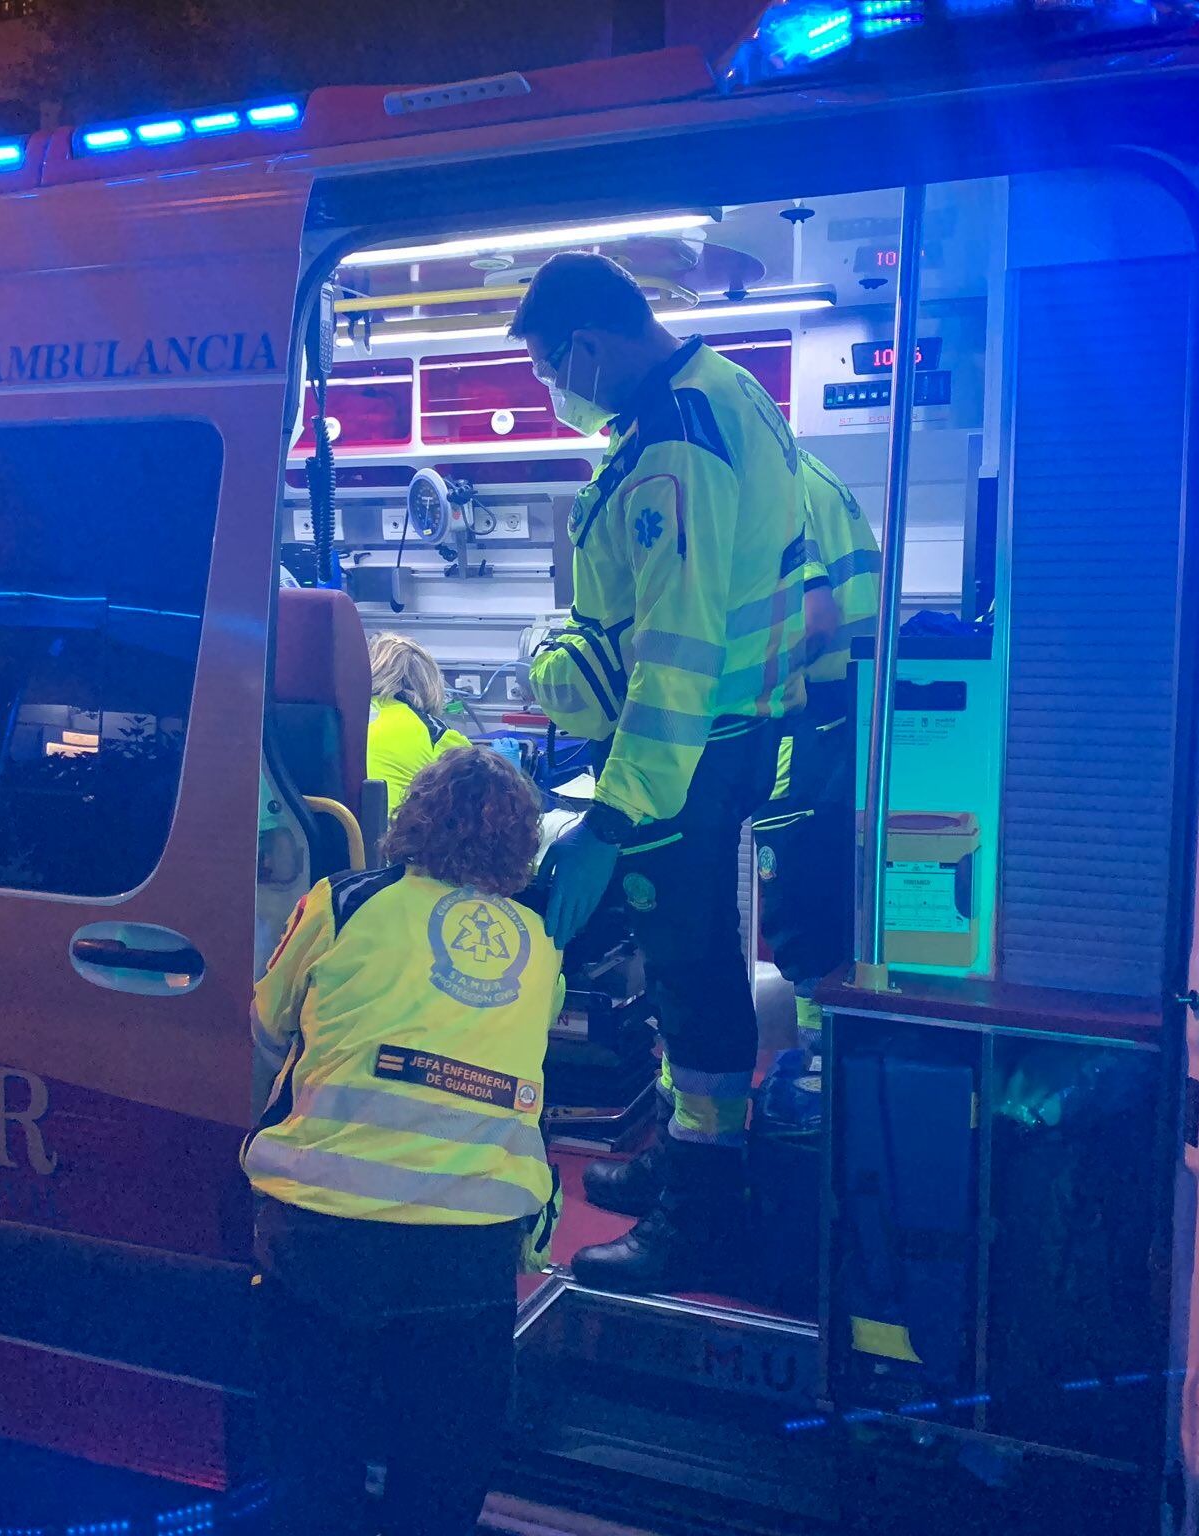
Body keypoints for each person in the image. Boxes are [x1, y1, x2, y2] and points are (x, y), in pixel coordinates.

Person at [517, 251, 809, 1292]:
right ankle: (692, 1155)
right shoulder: (716, 391)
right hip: (725, 736)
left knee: (688, 977)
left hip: (684, 751)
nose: (551, 392)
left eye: (549, 369)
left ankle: (704, 1210)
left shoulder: (670, 452)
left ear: (586, 346)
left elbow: (672, 650)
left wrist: (611, 814)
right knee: (696, 964)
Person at [246, 747, 564, 1536]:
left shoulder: (341, 902)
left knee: (310, 1467)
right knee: (440, 1484)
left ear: (411, 821)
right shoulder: (539, 947)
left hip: (323, 1234)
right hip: (470, 1249)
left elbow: (265, 1024)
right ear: (520, 846)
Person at [753, 450, 883, 1087]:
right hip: (849, 706)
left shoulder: (771, 481)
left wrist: (741, 687)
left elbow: (814, 619)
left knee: (792, 870)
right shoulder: (811, 470)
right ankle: (829, 1049)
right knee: (833, 878)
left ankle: (815, 1057)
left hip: (815, 705)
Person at [367, 631, 473, 814]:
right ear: (429, 681)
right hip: (395, 840)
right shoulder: (436, 734)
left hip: (330, 837)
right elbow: (484, 799)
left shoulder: (339, 717)